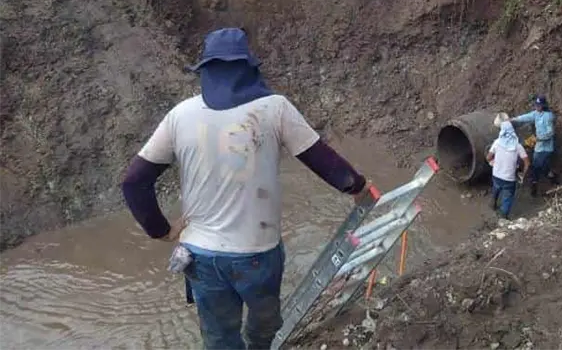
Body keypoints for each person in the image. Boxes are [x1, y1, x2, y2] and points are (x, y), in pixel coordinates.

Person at [119, 27, 372, 349]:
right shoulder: (275, 108)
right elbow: (322, 160)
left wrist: (161, 230)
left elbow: (134, 182)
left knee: (219, 338)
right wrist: (357, 188)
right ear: (249, 68)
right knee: (264, 328)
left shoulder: (180, 115)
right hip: (256, 253)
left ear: (205, 71)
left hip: (199, 255)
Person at [511, 94, 556, 196]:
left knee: (535, 166)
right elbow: (525, 117)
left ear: (543, 105)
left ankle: (534, 187)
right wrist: (513, 119)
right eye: (536, 105)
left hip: (545, 147)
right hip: (538, 144)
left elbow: (550, 132)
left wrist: (539, 138)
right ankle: (553, 178)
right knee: (544, 166)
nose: (536, 107)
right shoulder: (536, 114)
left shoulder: (548, 116)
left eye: (538, 105)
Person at [486, 118, 530, 219]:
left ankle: (493, 204)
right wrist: (523, 175)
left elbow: (488, 157)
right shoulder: (518, 146)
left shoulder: (497, 142)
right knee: (507, 197)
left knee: (496, 188)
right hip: (509, 179)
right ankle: (503, 216)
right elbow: (527, 163)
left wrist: (492, 162)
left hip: (496, 175)